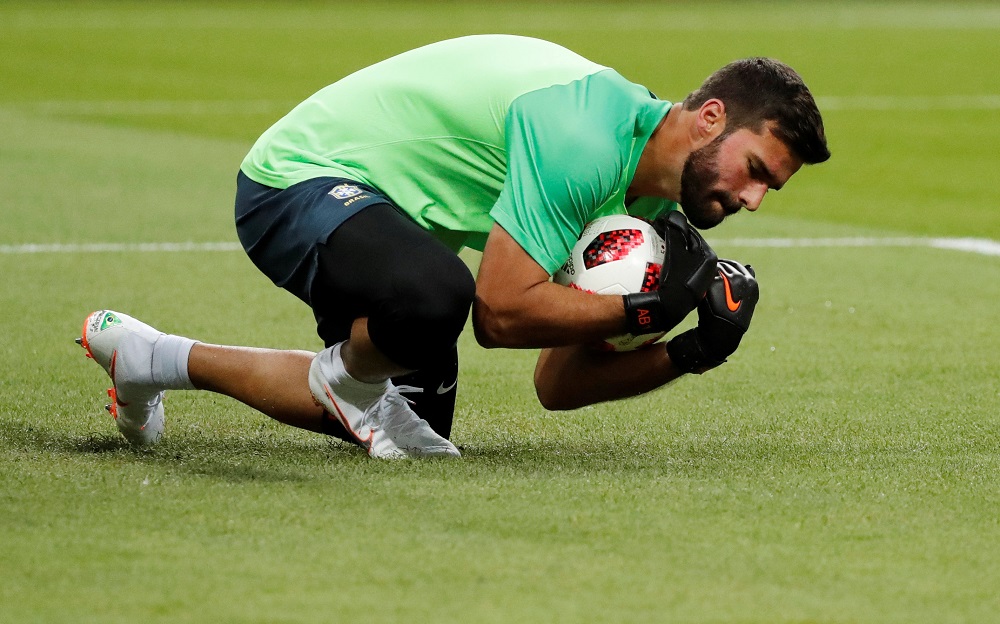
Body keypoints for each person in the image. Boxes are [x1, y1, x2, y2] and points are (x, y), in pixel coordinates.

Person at [77, 35, 829, 459]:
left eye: (772, 190)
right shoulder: (583, 137)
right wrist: (637, 312)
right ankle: (347, 379)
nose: (754, 200)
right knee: (436, 299)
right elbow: (500, 315)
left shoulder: (649, 211)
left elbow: (559, 385)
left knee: (413, 425)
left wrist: (687, 349)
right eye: (756, 169)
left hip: (386, 225)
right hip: (300, 179)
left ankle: (150, 358)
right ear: (709, 119)